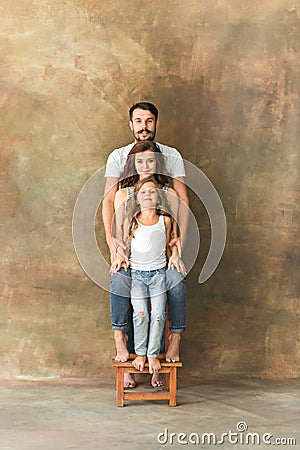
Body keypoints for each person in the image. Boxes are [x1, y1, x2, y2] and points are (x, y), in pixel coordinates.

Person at [102, 102, 189, 387]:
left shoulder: (170, 157)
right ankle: (124, 352)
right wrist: (115, 249)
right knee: (120, 281)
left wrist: (178, 248)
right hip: (131, 250)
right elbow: (109, 203)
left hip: (163, 252)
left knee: (176, 281)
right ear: (130, 124)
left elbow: (182, 202)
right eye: (138, 121)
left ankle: (173, 343)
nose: (143, 126)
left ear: (156, 123)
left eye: (149, 121)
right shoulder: (119, 158)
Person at [111, 176, 184, 379]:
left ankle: (153, 355)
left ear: (159, 197)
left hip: (158, 276)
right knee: (141, 314)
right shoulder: (131, 221)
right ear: (136, 199)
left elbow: (171, 246)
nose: (148, 195)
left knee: (159, 314)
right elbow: (124, 246)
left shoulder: (166, 220)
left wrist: (175, 257)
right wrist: (120, 258)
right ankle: (141, 353)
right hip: (137, 277)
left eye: (152, 192)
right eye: (143, 192)